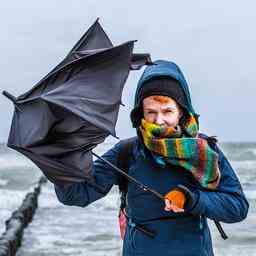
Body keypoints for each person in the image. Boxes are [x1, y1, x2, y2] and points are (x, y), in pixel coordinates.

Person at [54, 60, 249, 256]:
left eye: (167, 111)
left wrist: (191, 199)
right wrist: (64, 158)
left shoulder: (205, 150)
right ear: (141, 114)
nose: (159, 121)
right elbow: (76, 194)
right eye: (151, 112)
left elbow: (237, 207)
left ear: (181, 110)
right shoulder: (126, 152)